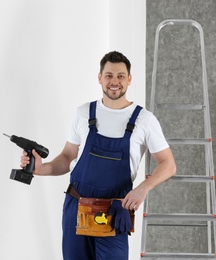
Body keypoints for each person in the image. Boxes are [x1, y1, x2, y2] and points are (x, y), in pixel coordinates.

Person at [20, 51, 176, 260]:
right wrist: (42, 168)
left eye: (121, 76)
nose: (114, 81)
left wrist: (143, 188)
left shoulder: (145, 120)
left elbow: (168, 164)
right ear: (100, 78)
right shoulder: (83, 113)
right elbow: (67, 157)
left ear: (129, 79)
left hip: (113, 211)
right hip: (76, 208)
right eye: (109, 75)